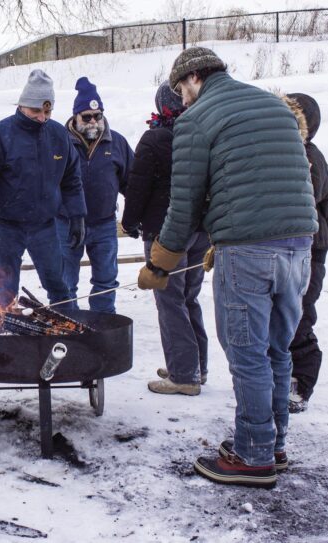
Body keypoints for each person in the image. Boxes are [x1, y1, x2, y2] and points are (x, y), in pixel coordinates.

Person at [137, 47, 317, 489]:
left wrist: (160, 263)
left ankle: (252, 456)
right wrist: (226, 235)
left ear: (194, 77)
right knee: (276, 349)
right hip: (299, 246)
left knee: (247, 354)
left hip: (250, 253)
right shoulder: (271, 105)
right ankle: (272, 443)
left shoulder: (197, 119)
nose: (181, 99)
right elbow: (275, 179)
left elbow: (183, 206)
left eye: (182, 89)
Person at [0, 69, 86, 310]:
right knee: (6, 288)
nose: (42, 117)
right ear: (22, 105)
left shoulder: (58, 135)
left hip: (45, 226)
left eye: (47, 111)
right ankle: (0, 336)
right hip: (5, 227)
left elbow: (72, 179)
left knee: (59, 285)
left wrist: (77, 216)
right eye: (36, 111)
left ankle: (68, 338)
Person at [122, 81, 210, 396]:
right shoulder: (202, 134)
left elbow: (138, 185)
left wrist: (130, 222)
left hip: (165, 234)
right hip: (201, 231)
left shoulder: (156, 138)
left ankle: (184, 374)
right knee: (188, 298)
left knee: (170, 301)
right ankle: (195, 365)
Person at [282, 93, 328, 413]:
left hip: (311, 247)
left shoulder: (309, 156)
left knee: (300, 314)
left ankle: (301, 384)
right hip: (294, 246)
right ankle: (283, 380)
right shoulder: (292, 152)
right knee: (285, 315)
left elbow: (307, 197)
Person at [56, 77, 133, 313]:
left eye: (97, 116)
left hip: (104, 224)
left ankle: (103, 327)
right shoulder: (59, 143)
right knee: (64, 282)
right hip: (67, 223)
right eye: (86, 117)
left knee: (106, 281)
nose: (93, 122)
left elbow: (131, 182)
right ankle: (68, 325)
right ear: (75, 117)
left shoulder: (116, 142)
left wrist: (134, 215)